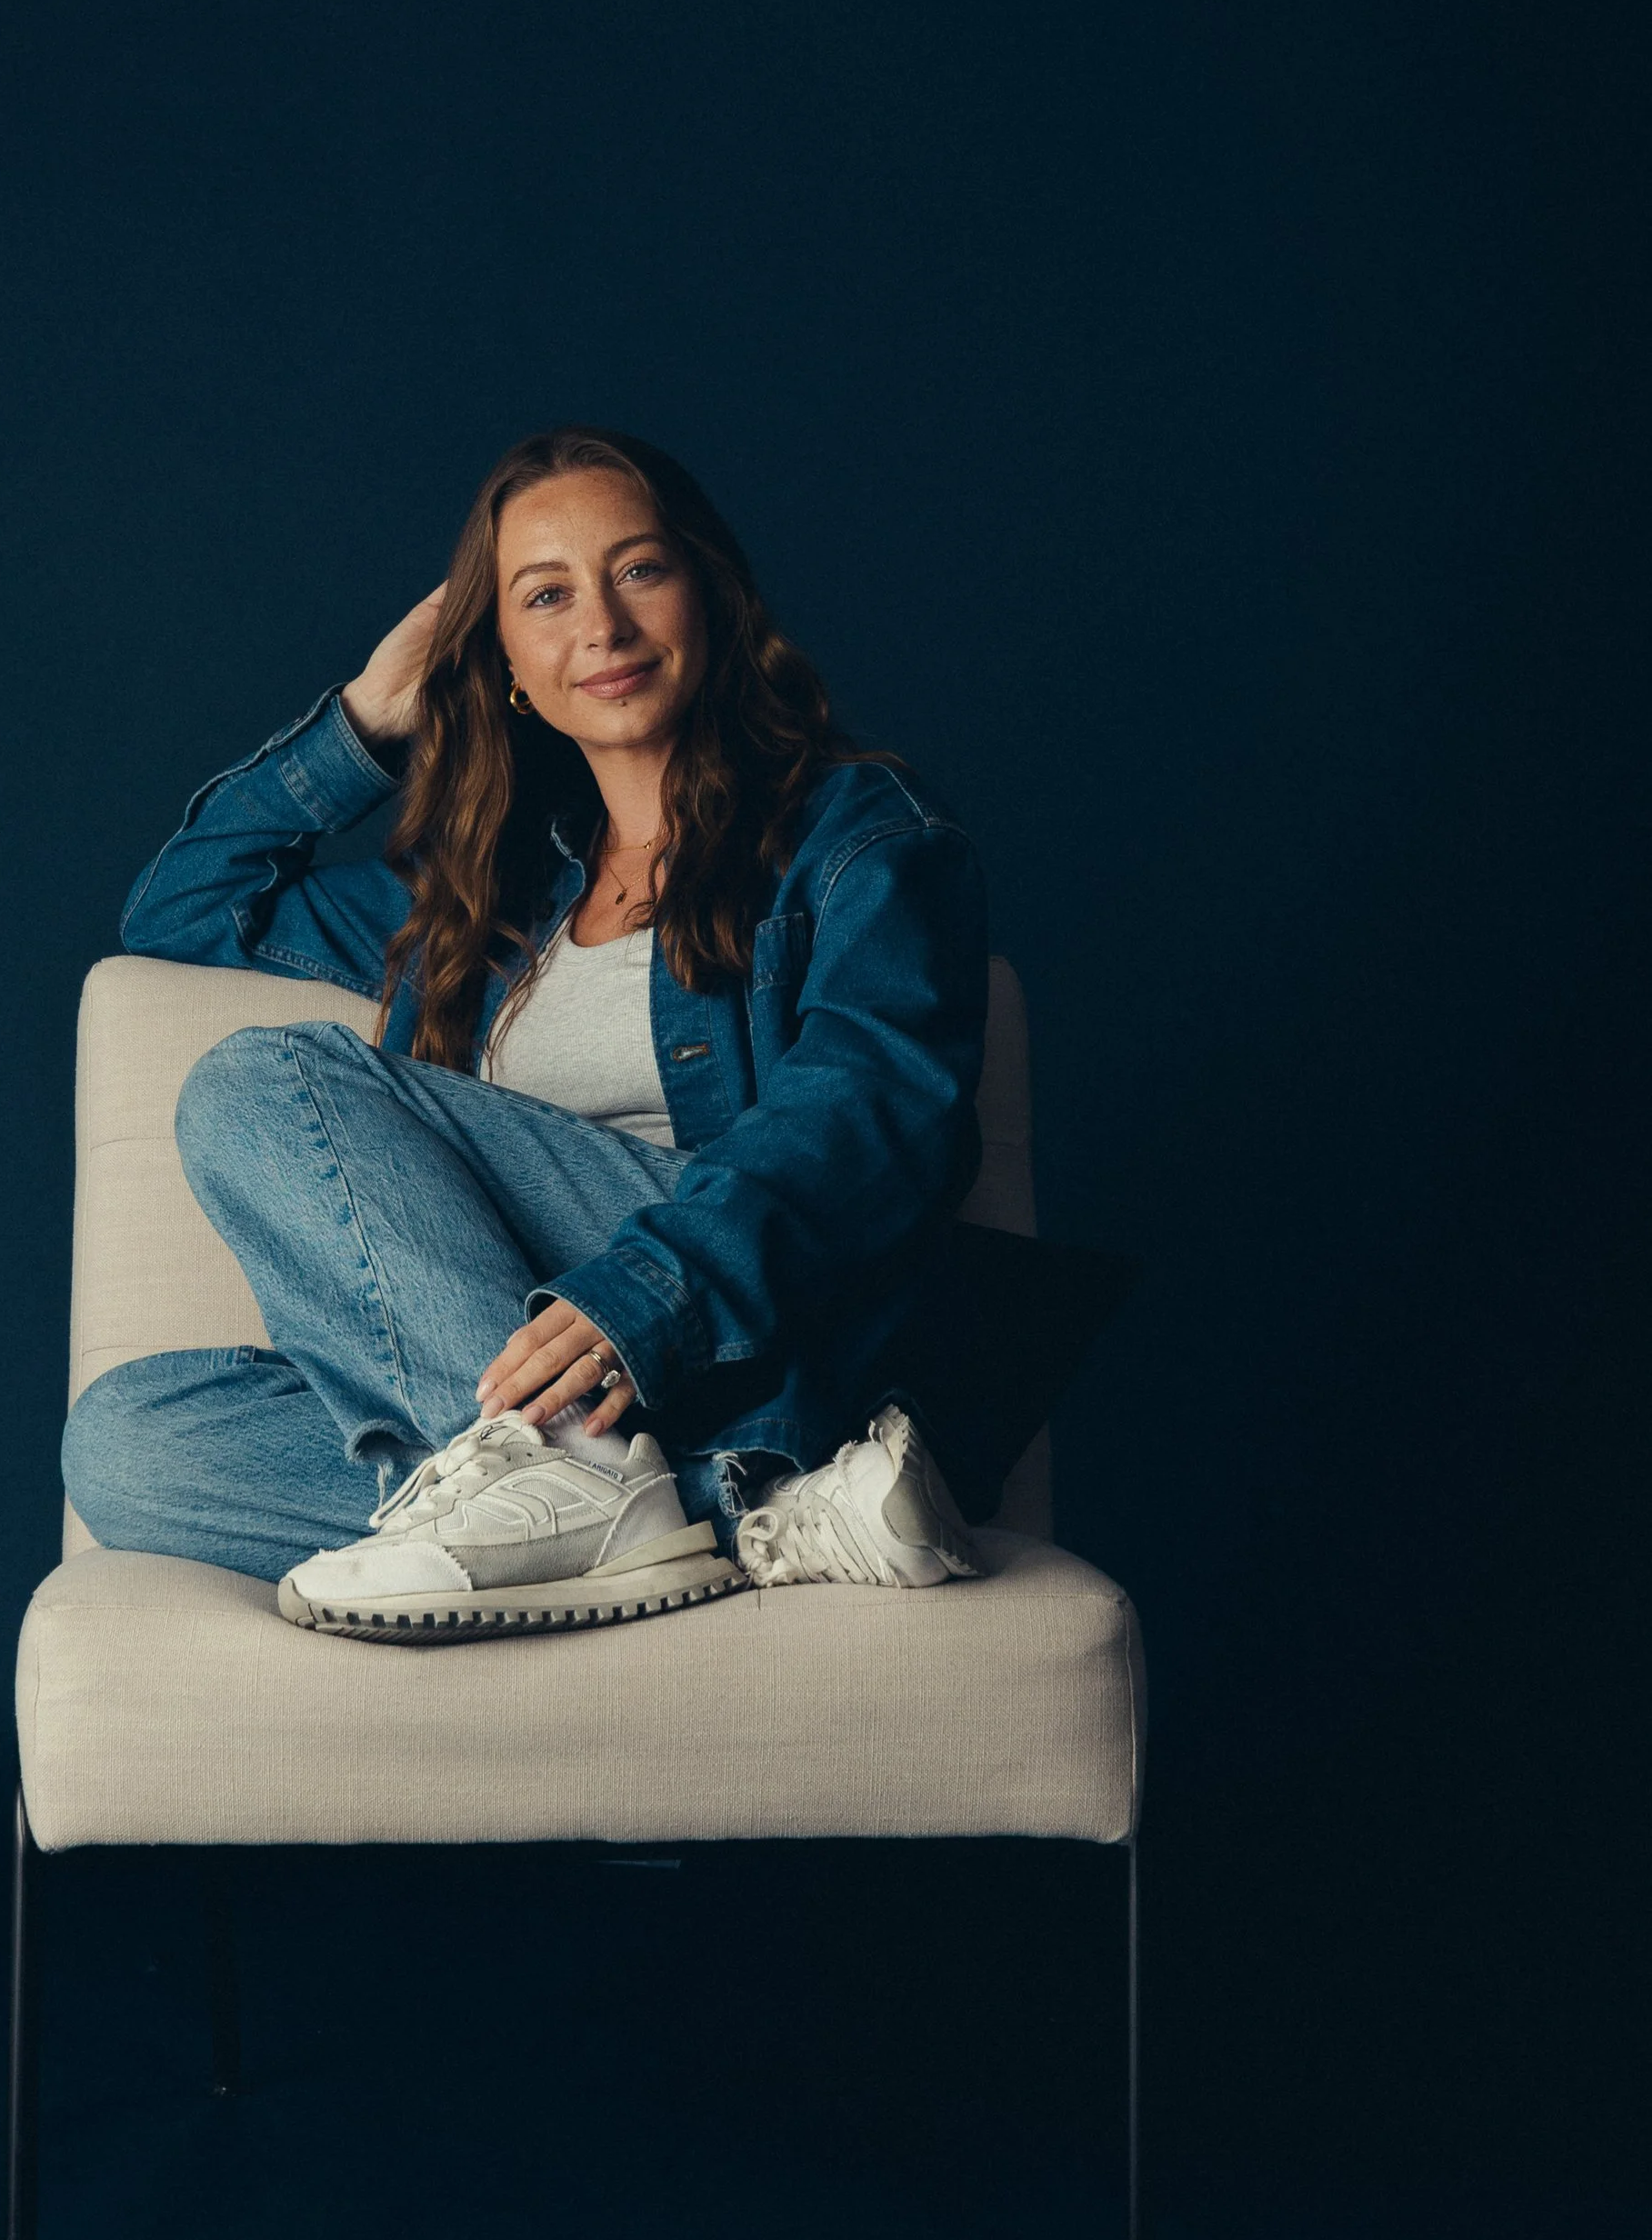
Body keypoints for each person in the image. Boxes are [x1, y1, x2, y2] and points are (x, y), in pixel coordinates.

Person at [64, 425, 990, 1642]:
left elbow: (875, 1108)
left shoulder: (854, 827)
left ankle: (592, 1484)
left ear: (709, 594)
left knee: (261, 1078)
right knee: (130, 1441)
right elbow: (183, 904)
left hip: (734, 1320)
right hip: (533, 1361)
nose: (599, 626)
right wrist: (367, 717)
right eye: (544, 596)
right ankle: (722, 1503)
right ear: (502, 656)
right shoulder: (484, 905)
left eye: (640, 571)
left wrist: (648, 1292)